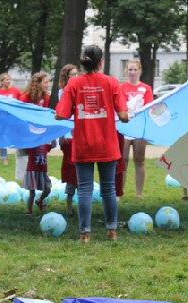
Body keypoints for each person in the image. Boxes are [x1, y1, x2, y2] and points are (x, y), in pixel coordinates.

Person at [56, 45, 129, 243]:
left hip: (83, 144)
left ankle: (85, 234)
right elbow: (123, 117)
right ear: (101, 62)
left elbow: (60, 114)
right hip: (107, 144)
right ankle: (112, 231)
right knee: (109, 189)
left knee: (85, 189)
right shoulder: (112, 83)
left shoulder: (74, 83)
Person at [120, 59, 153, 198]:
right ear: (126, 71)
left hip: (139, 128)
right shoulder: (121, 87)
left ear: (140, 71)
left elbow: (149, 107)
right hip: (125, 126)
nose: (132, 72)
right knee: (123, 160)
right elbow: (120, 106)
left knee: (139, 160)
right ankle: (119, 192)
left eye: (135, 69)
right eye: (130, 69)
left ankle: (139, 194)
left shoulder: (146, 88)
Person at [17, 72, 51, 181]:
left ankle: (37, 180)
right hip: (26, 132)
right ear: (38, 83)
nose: (48, 84)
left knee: (37, 157)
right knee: (24, 156)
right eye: (45, 82)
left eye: (48, 82)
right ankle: (24, 181)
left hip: (39, 133)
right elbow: (21, 114)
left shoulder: (46, 97)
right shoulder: (26, 97)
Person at [58, 64, 79, 217]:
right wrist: (62, 135)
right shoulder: (63, 92)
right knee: (72, 172)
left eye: (77, 74)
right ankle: (69, 204)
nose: (75, 77)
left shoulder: (82, 89)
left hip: (81, 135)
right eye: (72, 74)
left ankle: (82, 203)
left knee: (82, 171)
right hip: (69, 138)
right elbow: (62, 116)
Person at [0, 73, 22, 165]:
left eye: (9, 80)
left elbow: (22, 101)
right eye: (6, 80)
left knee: (16, 136)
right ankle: (4, 157)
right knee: (2, 137)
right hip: (2, 119)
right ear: (1, 82)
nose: (8, 81)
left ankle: (20, 154)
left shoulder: (16, 91)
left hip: (14, 118)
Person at [23, 143, 52, 215]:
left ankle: (39, 200)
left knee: (48, 190)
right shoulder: (31, 144)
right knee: (32, 193)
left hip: (42, 172)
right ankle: (29, 211)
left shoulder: (45, 145)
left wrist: (53, 134)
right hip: (32, 171)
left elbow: (53, 145)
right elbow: (23, 149)